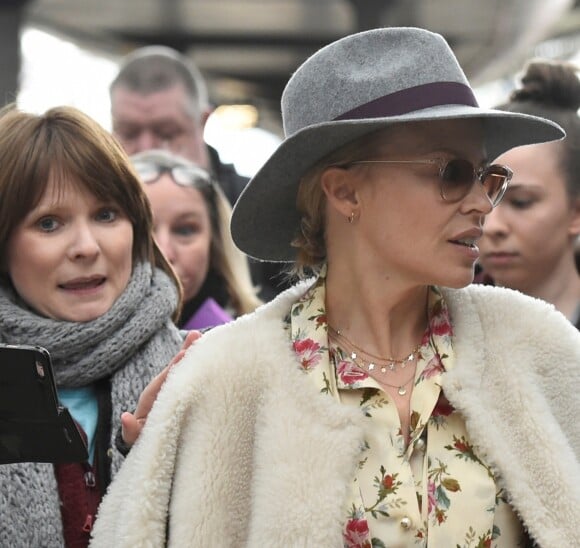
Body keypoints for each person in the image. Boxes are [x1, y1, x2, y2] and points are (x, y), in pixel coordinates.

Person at [91, 28, 580, 547]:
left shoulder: (539, 350)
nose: (483, 203)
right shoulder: (227, 377)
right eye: (453, 172)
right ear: (345, 191)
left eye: (488, 177)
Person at [0, 105, 186, 547]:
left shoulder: (195, 370)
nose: (85, 247)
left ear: (136, 227)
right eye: (49, 223)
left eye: (106, 215)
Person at [110, 45, 287, 301]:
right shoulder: (91, 210)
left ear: (203, 122)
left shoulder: (262, 210)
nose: (146, 149)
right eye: (129, 133)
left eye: (167, 133)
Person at [478, 59, 580, 329]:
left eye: (521, 202)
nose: (491, 225)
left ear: (576, 212)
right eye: (484, 197)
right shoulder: (436, 329)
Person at [130, 149, 261, 329]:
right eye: (143, 231)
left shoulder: (253, 345)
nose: (164, 253)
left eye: (184, 231)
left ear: (215, 245)